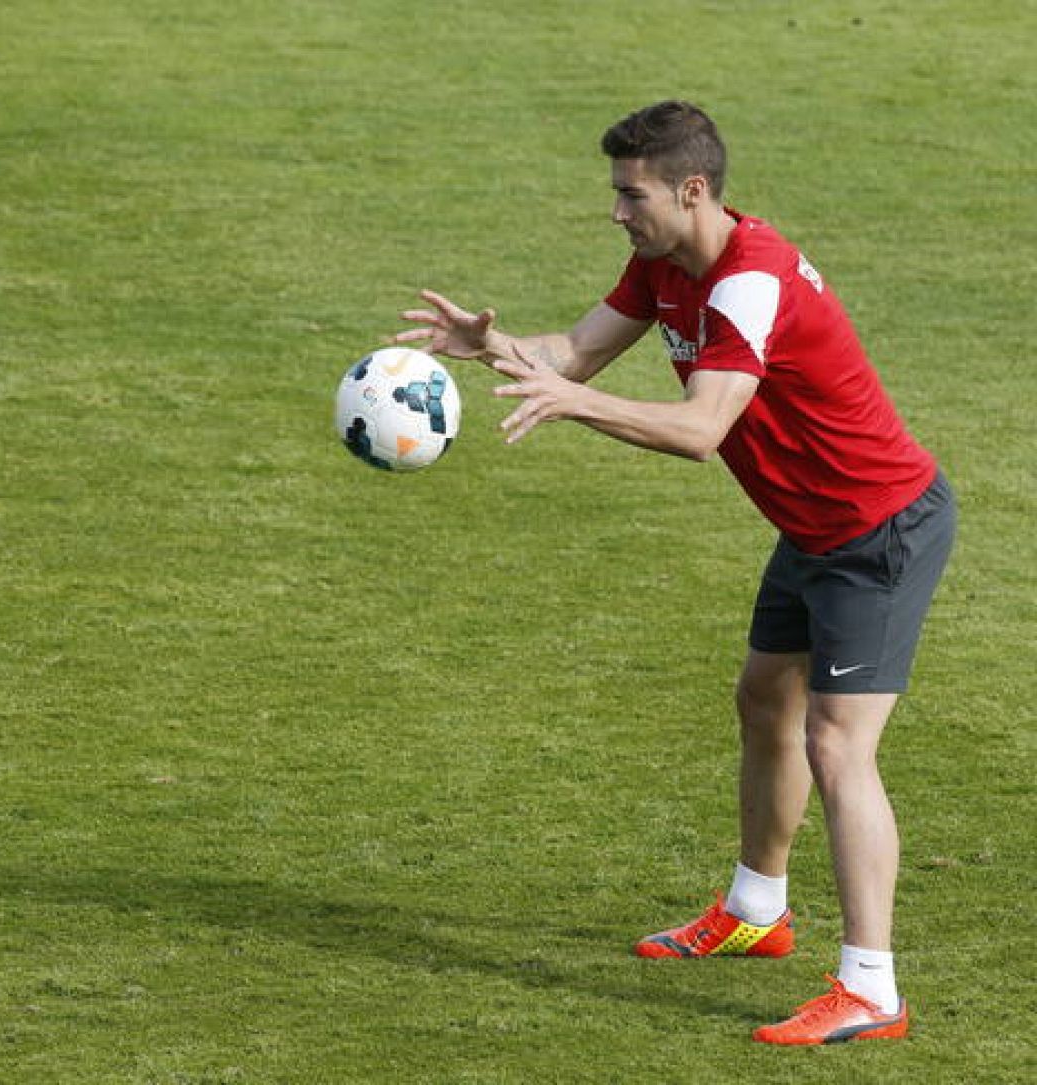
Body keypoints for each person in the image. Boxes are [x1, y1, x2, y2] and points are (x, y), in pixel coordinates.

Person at [395, 100, 954, 1046]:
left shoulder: (748, 283)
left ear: (692, 190)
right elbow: (568, 354)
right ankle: (757, 909)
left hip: (877, 529)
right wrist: (488, 345)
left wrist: (574, 404)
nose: (617, 210)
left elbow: (699, 431)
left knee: (836, 743)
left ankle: (872, 988)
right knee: (762, 699)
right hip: (811, 527)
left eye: (631, 193)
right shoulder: (665, 265)